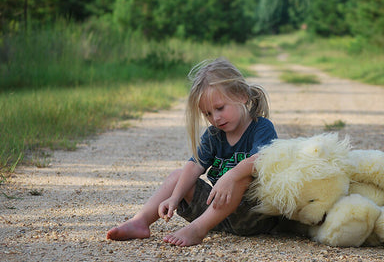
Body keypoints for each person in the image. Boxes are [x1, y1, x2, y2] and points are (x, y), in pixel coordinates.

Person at [106, 58, 279, 246]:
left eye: (220, 108)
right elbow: (195, 165)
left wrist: (230, 176)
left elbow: (261, 159)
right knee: (178, 176)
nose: (216, 118)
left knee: (242, 177)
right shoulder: (214, 134)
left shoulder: (260, 127)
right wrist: (175, 197)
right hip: (217, 214)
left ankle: (197, 230)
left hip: (253, 216)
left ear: (241, 96)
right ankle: (140, 221)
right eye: (208, 114)